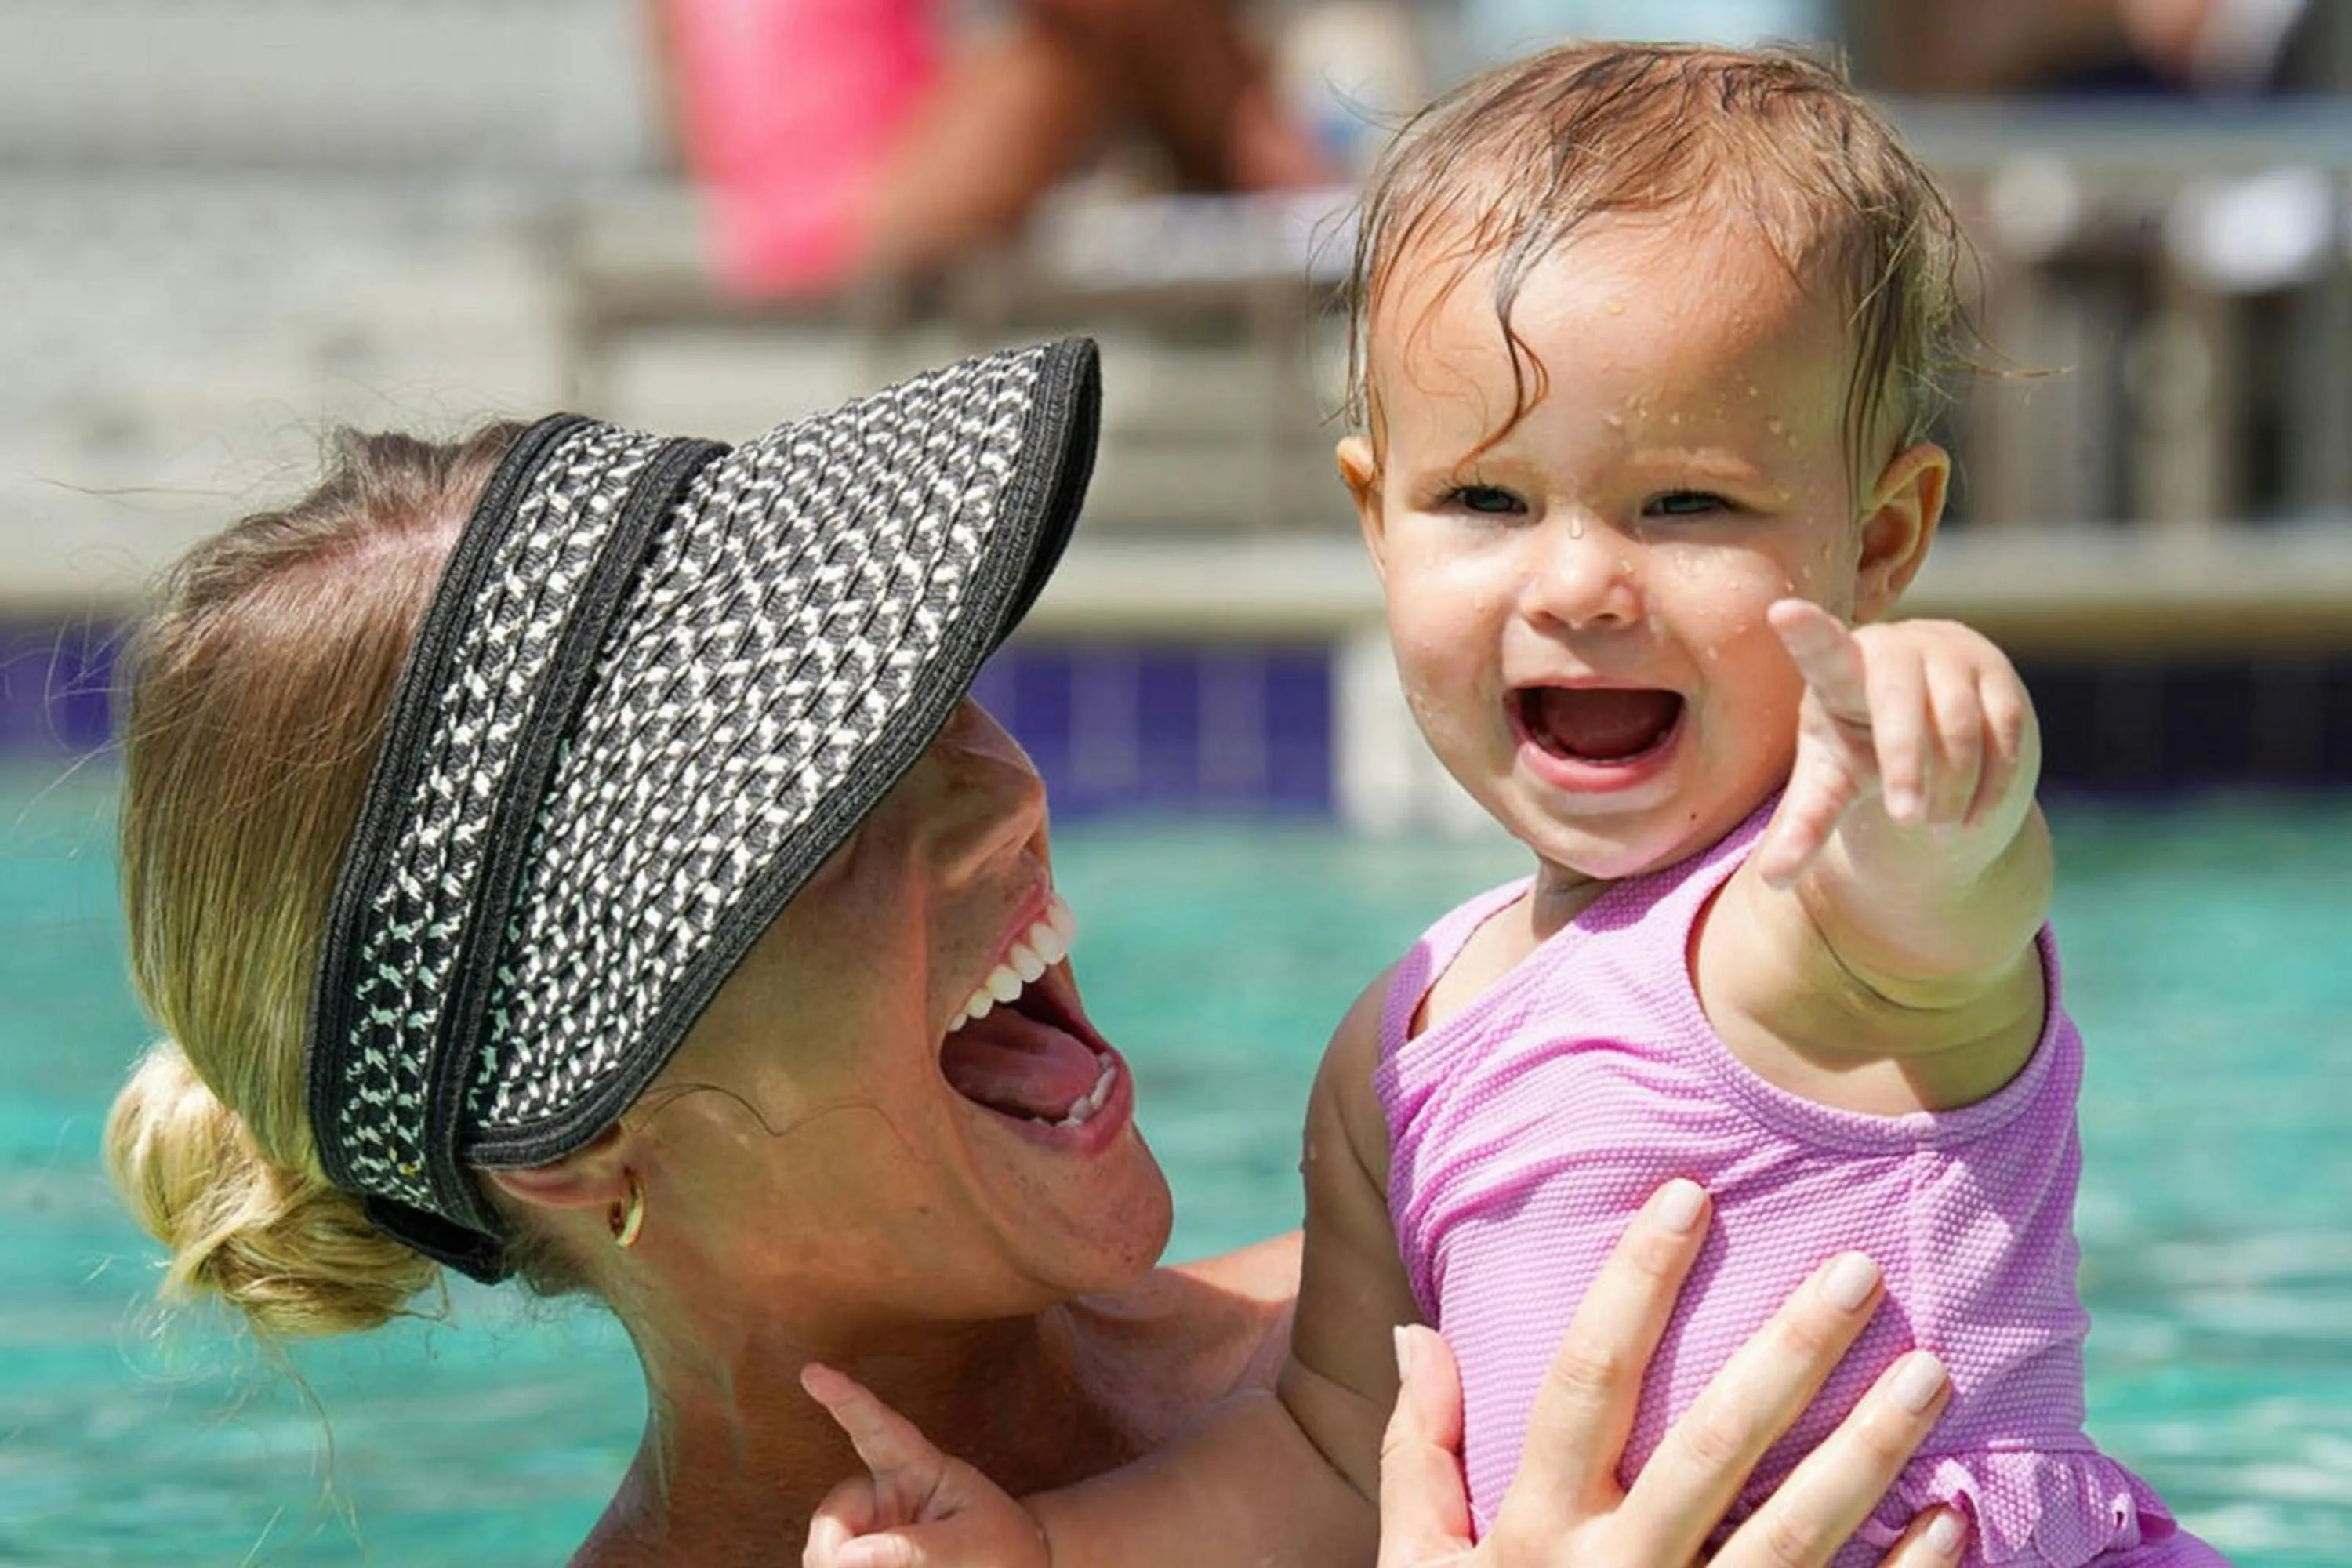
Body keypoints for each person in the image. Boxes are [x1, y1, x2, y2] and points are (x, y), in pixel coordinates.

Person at [101, 337, 1962, 1566]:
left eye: (930, 690)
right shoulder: (1437, 1347)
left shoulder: (1487, 1282)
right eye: (823, 807)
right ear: (580, 1141)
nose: (1001, 790)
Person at [799, 45, 2230, 1568]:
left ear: (1880, 543)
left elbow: (1943, 902)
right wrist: (1039, 1551)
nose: (1577, 584)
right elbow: (1338, 1458)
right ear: (1377, 519)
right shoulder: (1399, 1046)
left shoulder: (1819, 932)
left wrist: (1934, 770)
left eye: (1686, 503)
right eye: (1486, 500)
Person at [653, 0, 1338, 296]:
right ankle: (1273, 169)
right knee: (1112, 23)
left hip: (759, 220)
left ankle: (1261, 163)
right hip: (871, 205)